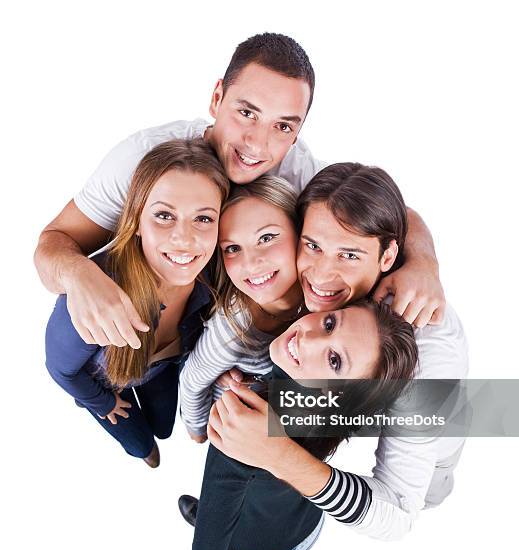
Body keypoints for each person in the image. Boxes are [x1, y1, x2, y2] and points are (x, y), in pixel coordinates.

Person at [34, 33, 445, 351]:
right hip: (142, 321)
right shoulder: (142, 160)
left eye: (283, 126)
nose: (258, 144)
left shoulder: (296, 169)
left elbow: (387, 213)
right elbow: (53, 243)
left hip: (221, 328)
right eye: (247, 112)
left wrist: (423, 262)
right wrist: (78, 274)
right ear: (217, 98)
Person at [205, 162, 469, 540]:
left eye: (348, 255)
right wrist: (424, 256)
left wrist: (279, 455)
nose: (321, 275)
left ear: (387, 257)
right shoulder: (337, 212)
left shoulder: (429, 360)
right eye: (312, 245)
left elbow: (397, 515)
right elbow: (400, 214)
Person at [191, 301, 418, 550]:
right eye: (329, 324)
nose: (307, 339)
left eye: (335, 360)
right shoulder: (323, 413)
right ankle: (205, 515)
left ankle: (206, 520)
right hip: (307, 526)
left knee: (216, 519)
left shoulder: (243, 429)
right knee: (224, 505)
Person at [45, 139, 229, 467]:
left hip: (160, 369)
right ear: (137, 222)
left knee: (164, 425)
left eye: (203, 219)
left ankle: (157, 437)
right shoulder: (98, 294)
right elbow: (60, 369)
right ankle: (145, 453)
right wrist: (102, 403)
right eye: (163, 215)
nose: (184, 238)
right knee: (140, 444)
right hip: (106, 385)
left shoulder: (213, 276)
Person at [179, 175, 305, 441]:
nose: (251, 263)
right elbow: (191, 383)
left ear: (301, 231)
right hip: (233, 424)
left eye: (267, 237)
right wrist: (200, 433)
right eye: (233, 248)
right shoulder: (232, 332)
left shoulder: (322, 295)